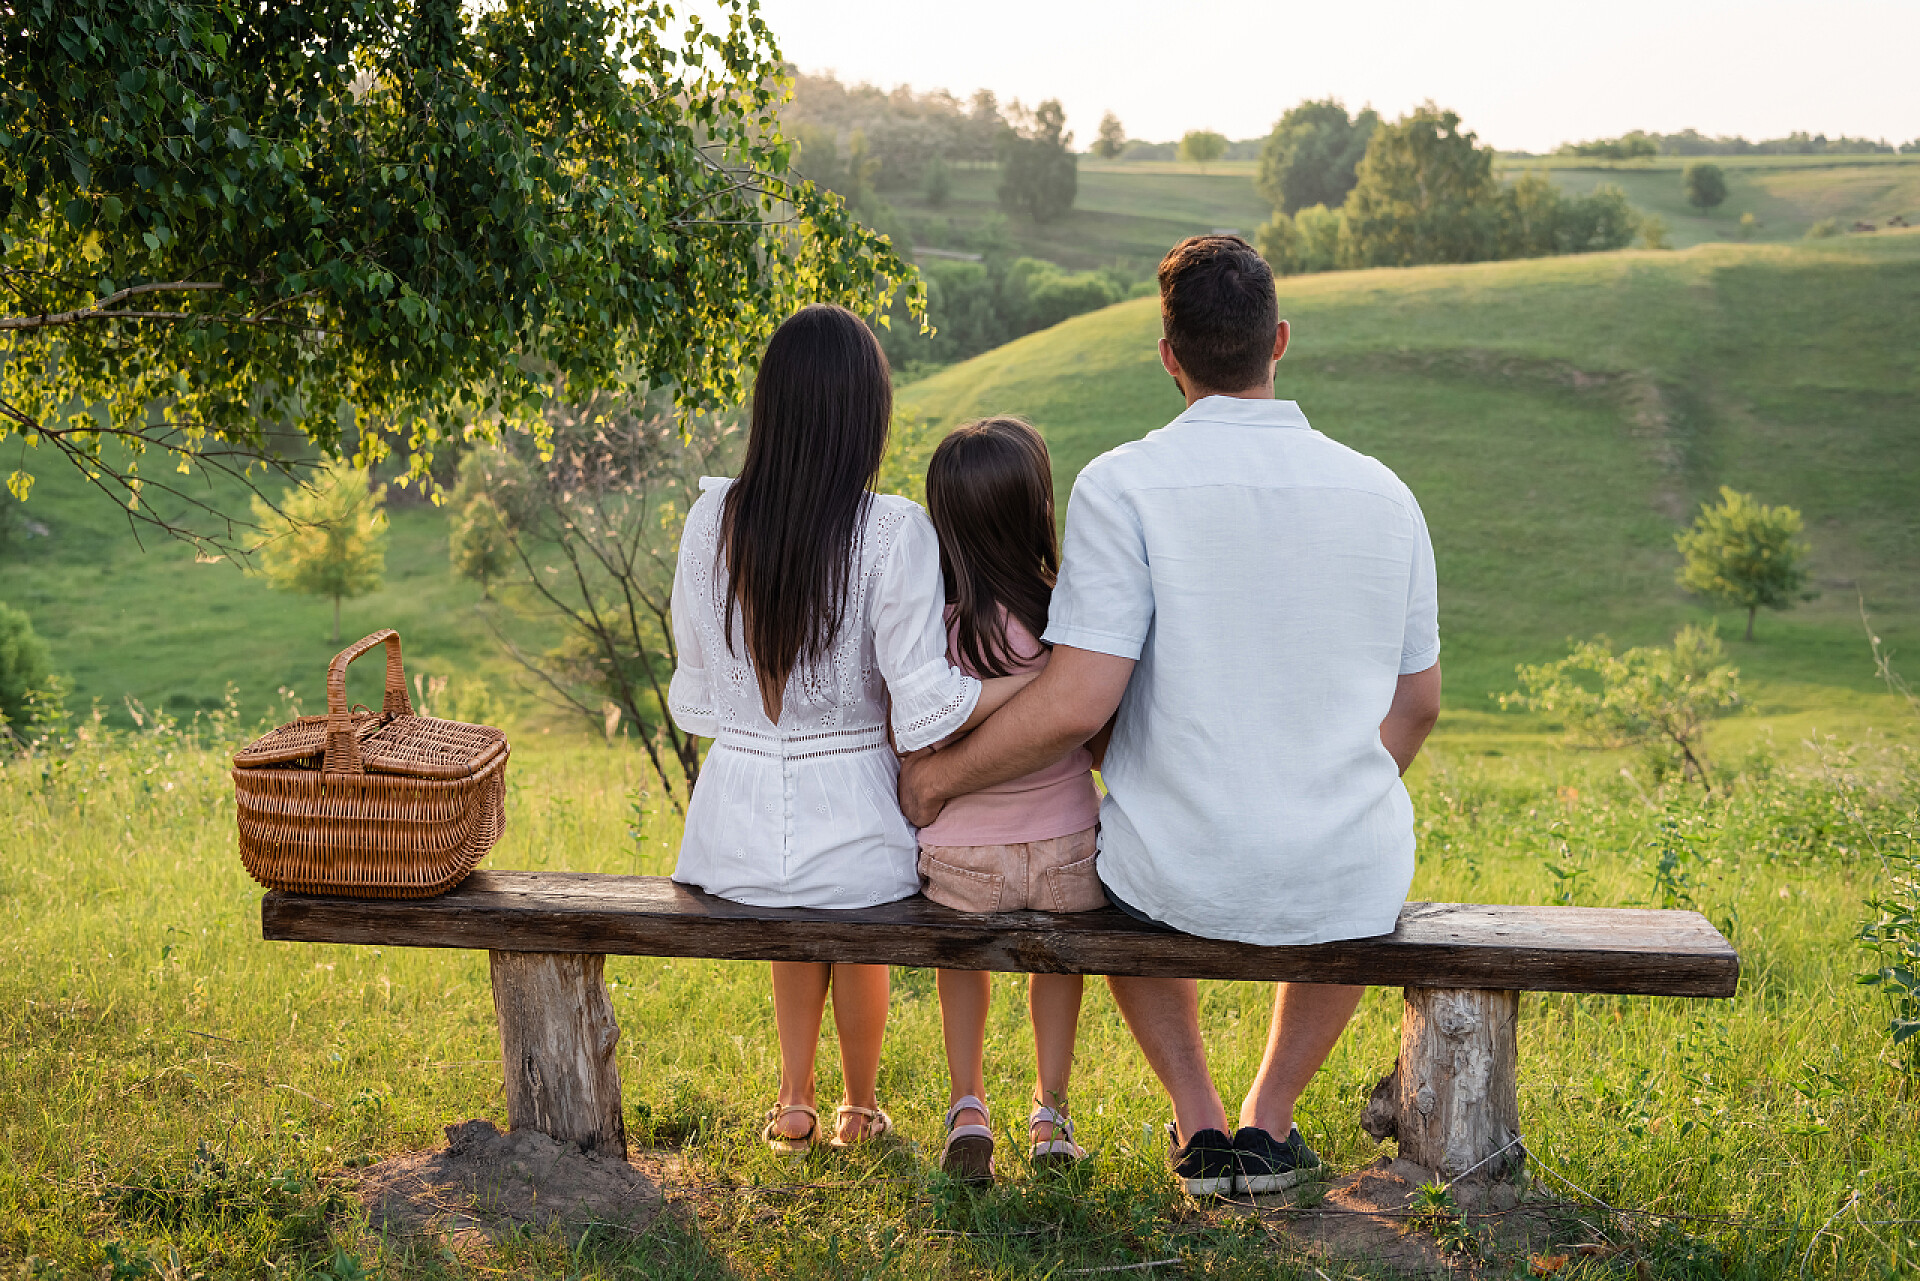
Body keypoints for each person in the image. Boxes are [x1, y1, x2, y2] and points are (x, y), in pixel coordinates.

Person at [899, 235, 1443, 1196]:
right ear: (1279, 340)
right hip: (1343, 861)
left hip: (1173, 862)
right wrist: (1324, 794)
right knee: (1356, 874)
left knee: (1127, 862)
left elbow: (1077, 700)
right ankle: (1267, 1122)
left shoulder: (1122, 484)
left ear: (1168, 353)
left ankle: (1199, 1122)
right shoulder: (1388, 495)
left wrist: (938, 777)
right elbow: (1418, 703)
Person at [666, 304, 1036, 1156]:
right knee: (853, 908)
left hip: (730, 834)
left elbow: (700, 689)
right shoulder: (891, 529)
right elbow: (931, 704)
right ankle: (857, 1106)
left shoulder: (709, 524)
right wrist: (1028, 680)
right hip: (858, 825)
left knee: (797, 913)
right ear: (863, 415)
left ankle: (794, 1099)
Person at [914, 416, 1106, 1185]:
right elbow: (1093, 734)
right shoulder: (1067, 615)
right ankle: (1051, 1114)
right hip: (1068, 851)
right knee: (1057, 964)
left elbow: (919, 741)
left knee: (962, 958)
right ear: (1037, 509)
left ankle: (967, 1103)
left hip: (961, 858)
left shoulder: (938, 624)